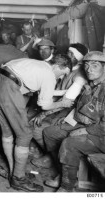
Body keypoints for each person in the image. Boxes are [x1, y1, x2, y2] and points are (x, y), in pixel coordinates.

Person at [0, 54, 73, 192]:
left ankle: (12, 171)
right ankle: (19, 178)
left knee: (8, 130)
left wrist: (64, 92)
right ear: (57, 66)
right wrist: (63, 102)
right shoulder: (49, 75)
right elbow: (44, 104)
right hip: (8, 87)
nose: (62, 77)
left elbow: (42, 89)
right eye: (63, 74)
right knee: (25, 134)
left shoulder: (38, 65)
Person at [40, 51, 105, 192]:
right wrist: (70, 119)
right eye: (87, 65)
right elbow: (81, 108)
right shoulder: (90, 84)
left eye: (95, 65)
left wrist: (85, 130)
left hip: (101, 134)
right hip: (87, 125)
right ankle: (64, 174)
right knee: (50, 132)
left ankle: (67, 187)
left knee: (70, 143)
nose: (89, 69)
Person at [30, 43, 89, 156]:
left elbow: (66, 102)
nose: (68, 56)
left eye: (72, 54)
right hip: (55, 105)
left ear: (79, 58)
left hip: (65, 112)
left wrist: (43, 114)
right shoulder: (63, 68)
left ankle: (51, 157)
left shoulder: (79, 76)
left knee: (35, 128)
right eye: (68, 52)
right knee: (29, 122)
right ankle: (47, 153)